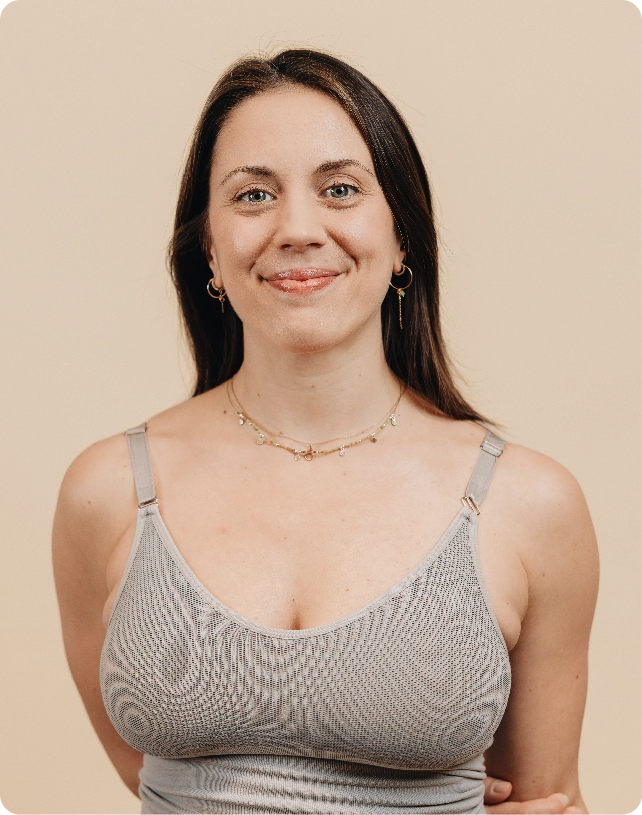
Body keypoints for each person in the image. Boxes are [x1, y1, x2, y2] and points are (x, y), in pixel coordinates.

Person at [52, 49, 598, 815]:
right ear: (209, 245)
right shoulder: (106, 491)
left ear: (402, 235)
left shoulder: (531, 504)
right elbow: (149, 778)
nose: (298, 229)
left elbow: (546, 800)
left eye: (340, 189)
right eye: (252, 195)